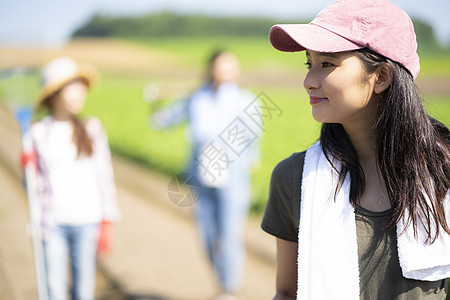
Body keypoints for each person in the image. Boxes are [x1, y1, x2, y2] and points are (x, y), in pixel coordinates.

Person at [261, 0, 450, 299]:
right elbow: (286, 292)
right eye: (309, 63)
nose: (308, 81)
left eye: (327, 64)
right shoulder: (294, 179)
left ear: (382, 77)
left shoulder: (442, 170)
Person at [148, 50, 261, 299]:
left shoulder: (246, 101)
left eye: (231, 67)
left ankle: (228, 289)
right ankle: (221, 279)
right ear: (211, 69)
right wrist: (154, 102)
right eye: (222, 67)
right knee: (207, 233)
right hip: (200, 172)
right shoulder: (196, 99)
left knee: (230, 232)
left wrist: (252, 160)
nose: (226, 72)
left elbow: (254, 137)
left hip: (233, 174)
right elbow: (163, 120)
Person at [31, 56, 121, 300]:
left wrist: (107, 222)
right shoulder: (37, 134)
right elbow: (29, 186)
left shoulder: (92, 129)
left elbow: (104, 177)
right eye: (72, 86)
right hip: (52, 223)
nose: (80, 92)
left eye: (81, 86)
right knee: (54, 290)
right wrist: (25, 168)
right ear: (55, 93)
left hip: (87, 221)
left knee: (83, 291)